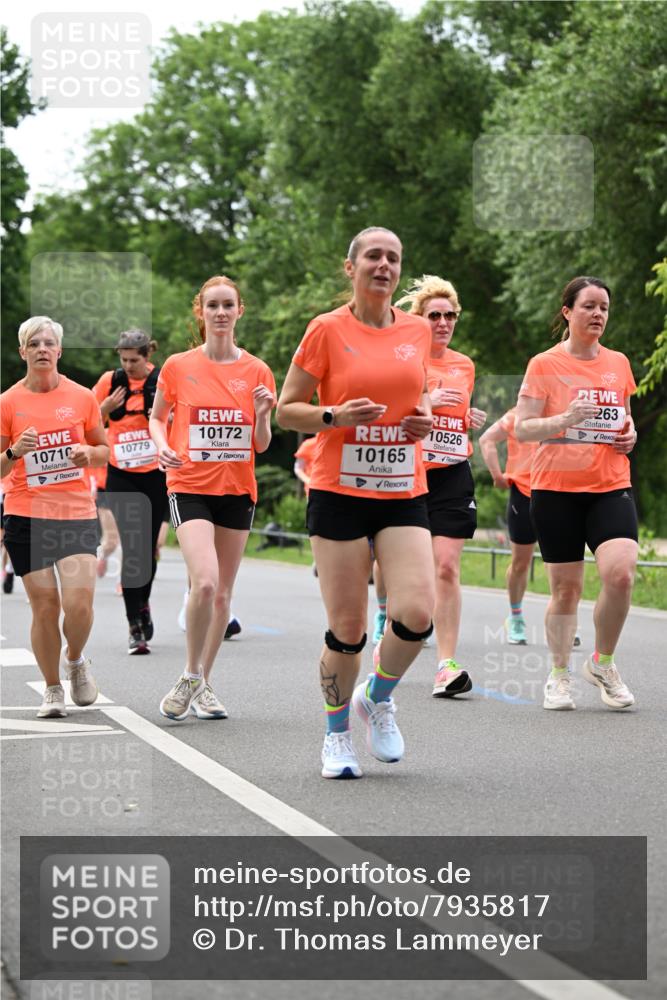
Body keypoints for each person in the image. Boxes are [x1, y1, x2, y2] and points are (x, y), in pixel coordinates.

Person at [276, 226, 435, 779]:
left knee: (416, 612)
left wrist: (424, 420)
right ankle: (337, 735)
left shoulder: (417, 330)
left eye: (393, 257)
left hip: (401, 488)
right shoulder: (325, 329)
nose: (384, 265)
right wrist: (334, 417)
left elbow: (422, 395)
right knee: (348, 630)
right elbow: (285, 409)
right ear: (352, 267)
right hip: (339, 490)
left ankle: (378, 696)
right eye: (373, 256)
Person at [150, 275, 275, 720]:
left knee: (223, 594)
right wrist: (160, 444)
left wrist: (262, 415)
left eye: (228, 305)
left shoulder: (257, 371)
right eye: (212, 306)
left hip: (237, 490)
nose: (220, 313)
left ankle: (204, 683)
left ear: (240, 311)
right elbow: (157, 418)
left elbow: (260, 444)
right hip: (188, 485)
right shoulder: (178, 366)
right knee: (203, 581)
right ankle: (189, 672)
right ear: (200, 312)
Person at [515, 276, 638, 711]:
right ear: (568, 312)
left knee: (621, 574)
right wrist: (563, 418)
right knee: (566, 591)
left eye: (604, 306)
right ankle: (560, 674)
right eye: (588, 306)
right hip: (555, 489)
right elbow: (523, 427)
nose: (598, 314)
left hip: (609, 484)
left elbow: (623, 418)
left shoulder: (618, 363)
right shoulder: (544, 364)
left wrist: (630, 435)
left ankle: (602, 663)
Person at [0, 317, 108, 718]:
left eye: (49, 343)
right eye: (34, 343)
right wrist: (14, 453)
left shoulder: (81, 397)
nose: (42, 348)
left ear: (59, 352)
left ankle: (75, 659)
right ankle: (51, 688)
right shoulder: (8, 402)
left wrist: (87, 454)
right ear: (23, 352)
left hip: (75, 512)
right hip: (26, 514)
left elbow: (103, 449)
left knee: (79, 604)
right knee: (45, 606)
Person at [396, 276, 486, 698]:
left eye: (451, 315)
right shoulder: (403, 360)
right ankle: (392, 623)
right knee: (411, 576)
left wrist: (466, 418)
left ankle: (445, 665)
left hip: (452, 470)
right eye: (435, 315)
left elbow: (457, 409)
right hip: (409, 473)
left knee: (447, 566)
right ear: (419, 319)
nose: (444, 322)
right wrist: (432, 395)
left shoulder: (465, 364)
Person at [480, 408, 583, 648]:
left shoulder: (565, 413)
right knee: (520, 563)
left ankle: (565, 619)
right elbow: (487, 439)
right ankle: (515, 617)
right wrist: (497, 475)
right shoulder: (517, 416)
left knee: (563, 563)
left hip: (559, 493)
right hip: (524, 493)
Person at [93, 329, 168, 654]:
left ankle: (143, 603)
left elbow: (178, 419)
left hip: (154, 475)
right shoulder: (110, 381)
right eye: (123, 360)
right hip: (121, 474)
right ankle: (134, 627)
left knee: (148, 550)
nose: (128, 366)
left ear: (147, 356)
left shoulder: (163, 379)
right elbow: (85, 424)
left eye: (134, 361)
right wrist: (105, 408)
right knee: (133, 547)